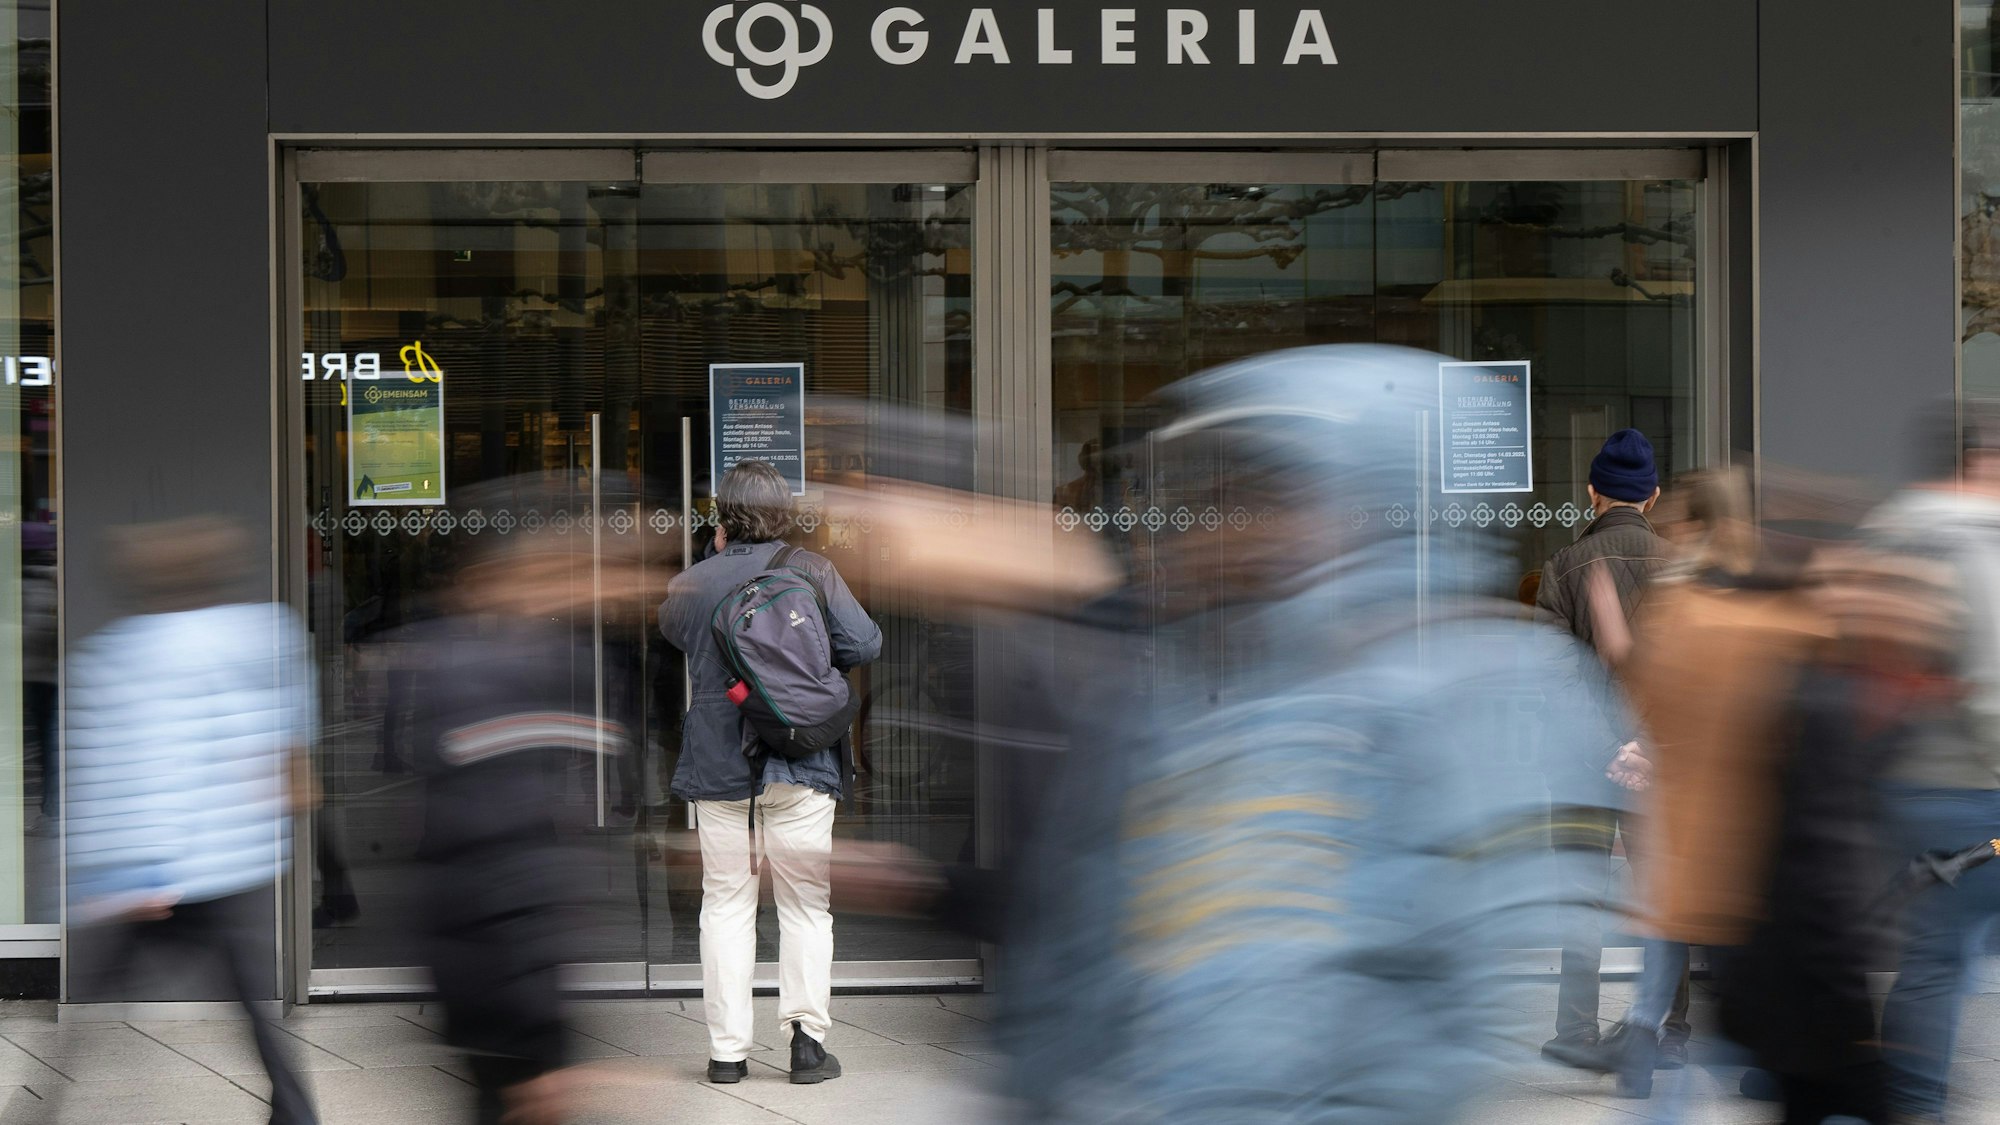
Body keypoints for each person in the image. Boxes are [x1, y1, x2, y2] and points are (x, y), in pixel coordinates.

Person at [63, 516, 319, 1125]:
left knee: (96, 995)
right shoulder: (268, 633)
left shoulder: (119, 655)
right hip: (234, 863)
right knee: (252, 1002)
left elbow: (136, 769)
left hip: (160, 873)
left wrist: (121, 878)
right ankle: (295, 1111)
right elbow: (289, 750)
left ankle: (38, 1106)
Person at [1592, 469, 1833, 1100]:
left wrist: (1617, 642)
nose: (1666, 530)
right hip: (1750, 813)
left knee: (1675, 928)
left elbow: (1660, 694)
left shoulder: (1689, 604)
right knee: (1727, 939)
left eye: (1676, 520)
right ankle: (1739, 1052)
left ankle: (1651, 1046)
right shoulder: (1776, 603)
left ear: (1697, 525)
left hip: (1693, 807)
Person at [660, 459, 881, 1085]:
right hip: (801, 756)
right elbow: (865, 644)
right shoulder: (812, 569)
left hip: (719, 763)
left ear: (722, 517)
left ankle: (727, 1054)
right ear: (785, 511)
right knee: (806, 905)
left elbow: (674, 633)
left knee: (725, 903)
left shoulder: (694, 582)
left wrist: (715, 557)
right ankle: (807, 1046)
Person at [1533, 429, 1692, 1070]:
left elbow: (1553, 679)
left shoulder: (1563, 567)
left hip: (1580, 765)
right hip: (1661, 767)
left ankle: (1574, 1030)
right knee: (1665, 892)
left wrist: (1607, 748)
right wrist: (1645, 750)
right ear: (1651, 496)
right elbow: (1688, 677)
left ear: (1592, 491)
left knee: (1580, 895)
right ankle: (1666, 1032)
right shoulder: (1680, 570)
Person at [1869, 401, 2000, 1121]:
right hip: (1966, 787)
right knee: (1941, 956)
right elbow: (1989, 685)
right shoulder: (1968, 542)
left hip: (1899, 779)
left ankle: (1907, 1094)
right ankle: (1915, 1101)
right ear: (1979, 461)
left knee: (1933, 951)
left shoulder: (1889, 534)